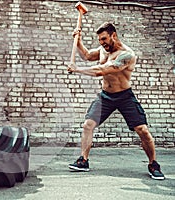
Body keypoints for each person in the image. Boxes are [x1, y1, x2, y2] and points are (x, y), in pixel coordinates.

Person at [67, 22, 165, 180]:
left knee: (143, 130)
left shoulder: (127, 54)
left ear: (113, 35)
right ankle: (83, 160)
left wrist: (77, 69)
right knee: (88, 125)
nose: (102, 43)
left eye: (104, 39)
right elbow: (86, 55)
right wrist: (78, 41)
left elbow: (102, 71)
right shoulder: (102, 50)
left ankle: (153, 164)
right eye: (99, 40)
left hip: (125, 96)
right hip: (106, 96)